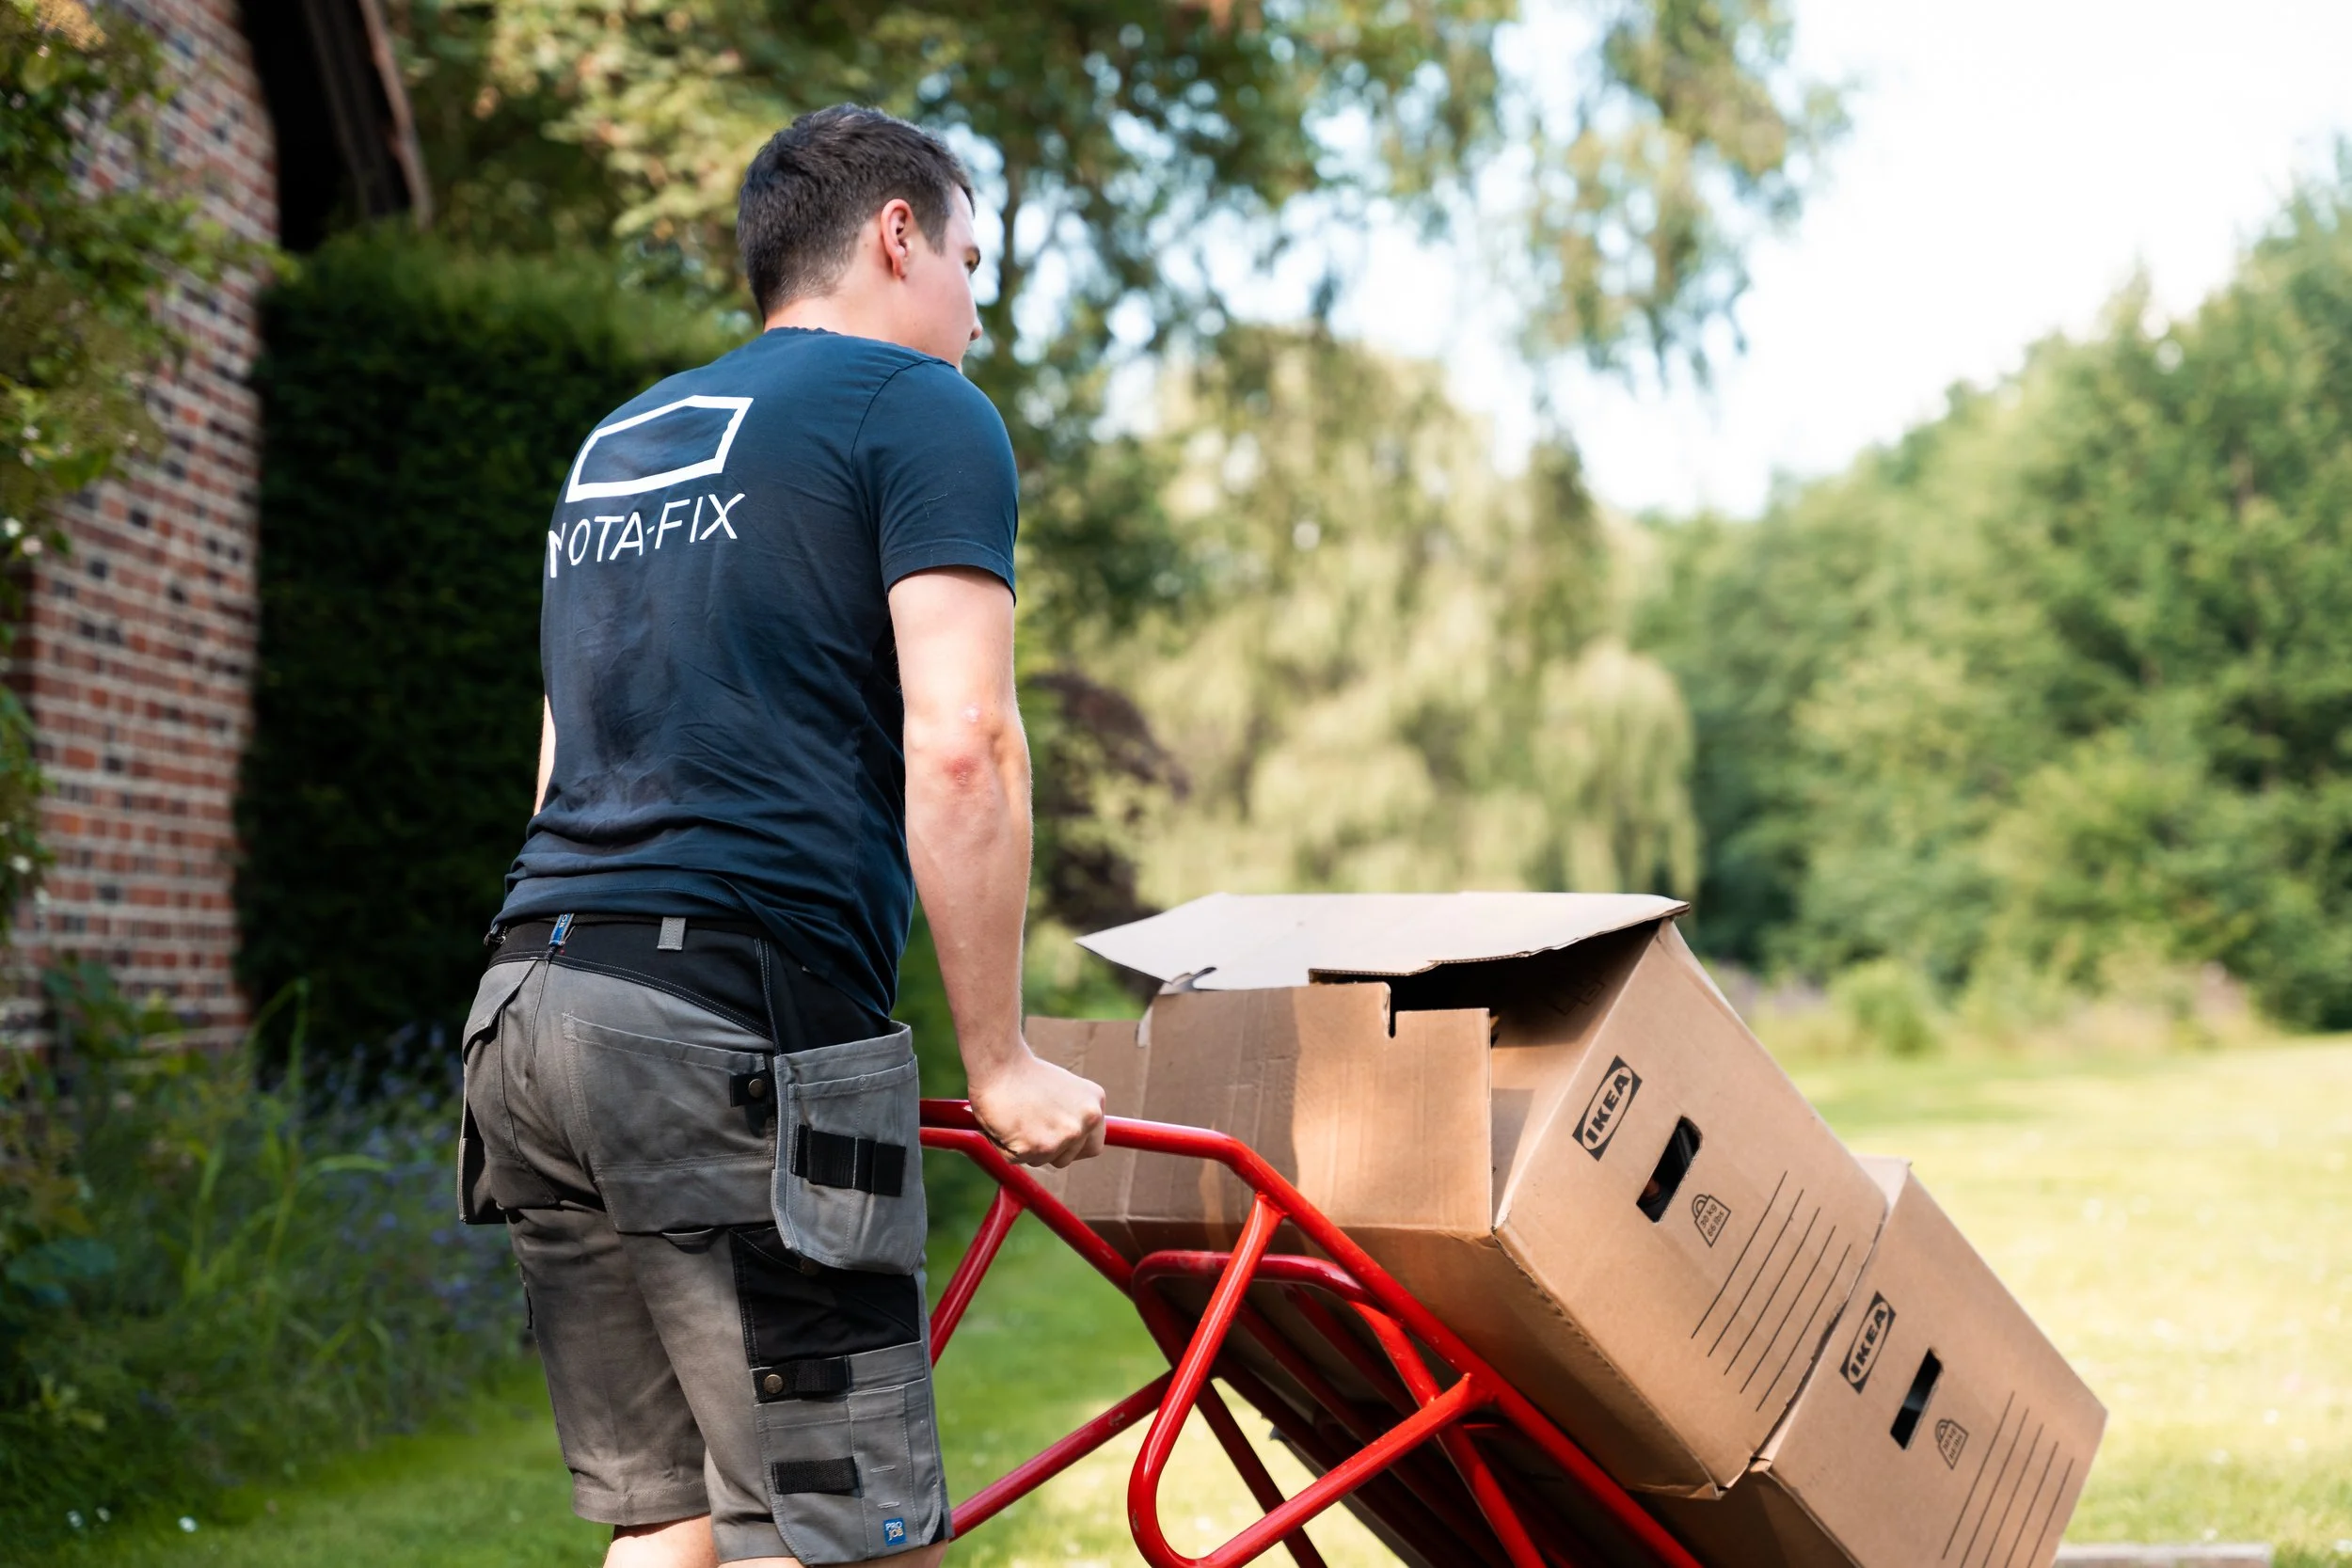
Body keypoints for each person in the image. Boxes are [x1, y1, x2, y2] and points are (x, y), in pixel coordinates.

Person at [457, 104, 1108, 1568]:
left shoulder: (620, 440)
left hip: (528, 1013)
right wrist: (999, 1058)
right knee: (848, 1534)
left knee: (671, 1523)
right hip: (722, 1034)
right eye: (972, 266)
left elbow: (564, 754)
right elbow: (964, 739)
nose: (979, 316)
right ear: (896, 235)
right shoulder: (920, 407)